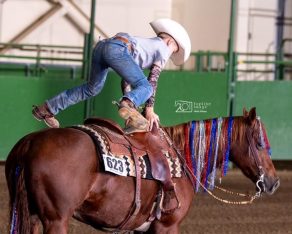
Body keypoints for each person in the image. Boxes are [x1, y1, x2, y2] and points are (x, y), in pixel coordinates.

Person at [32, 18, 191, 133]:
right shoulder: (163, 49)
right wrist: (149, 110)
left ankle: (46, 109)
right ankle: (128, 104)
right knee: (146, 87)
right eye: (174, 51)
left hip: (103, 47)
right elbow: (153, 80)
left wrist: (131, 110)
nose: (170, 55)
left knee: (91, 89)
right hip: (118, 49)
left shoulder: (145, 46)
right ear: (170, 42)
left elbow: (126, 80)